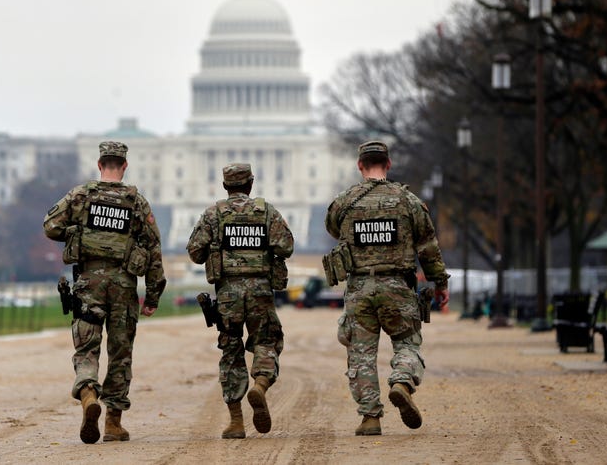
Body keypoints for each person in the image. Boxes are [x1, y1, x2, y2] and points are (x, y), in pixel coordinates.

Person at [43, 141, 166, 444]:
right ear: (124, 166)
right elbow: (153, 249)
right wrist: (152, 296)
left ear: (100, 165)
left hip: (89, 283)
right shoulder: (137, 202)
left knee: (87, 346)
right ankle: (113, 423)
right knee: (120, 353)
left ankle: (87, 392)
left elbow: (51, 226)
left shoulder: (82, 195)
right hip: (124, 286)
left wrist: (78, 233)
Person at [324, 141, 449, 436]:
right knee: (407, 343)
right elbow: (428, 247)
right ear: (389, 164)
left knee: (361, 354)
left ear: (360, 165)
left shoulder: (344, 203)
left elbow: (332, 229)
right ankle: (401, 383)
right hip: (398, 286)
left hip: (360, 288)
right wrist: (440, 283)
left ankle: (370, 418)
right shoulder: (408, 201)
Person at [186, 163, 294, 439]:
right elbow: (286, 246)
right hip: (260, 290)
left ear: (225, 186)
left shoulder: (213, 214)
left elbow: (195, 252)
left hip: (228, 294)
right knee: (267, 341)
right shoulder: (266, 211)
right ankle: (260, 383)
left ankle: (236, 422)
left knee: (231, 352)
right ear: (250, 184)